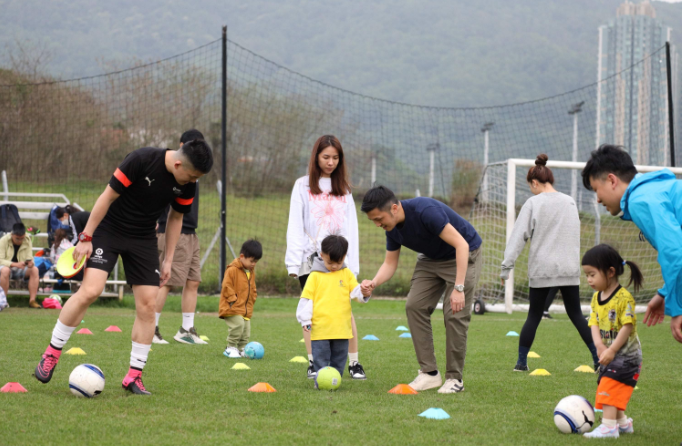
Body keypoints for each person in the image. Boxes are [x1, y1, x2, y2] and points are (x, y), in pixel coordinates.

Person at [33, 139, 213, 395]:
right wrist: (86, 237)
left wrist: (169, 259)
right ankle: (51, 353)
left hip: (143, 239)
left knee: (148, 304)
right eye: (191, 175)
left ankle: (133, 376)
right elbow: (107, 197)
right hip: (109, 229)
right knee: (90, 291)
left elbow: (176, 218)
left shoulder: (188, 184)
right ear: (177, 163)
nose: (192, 181)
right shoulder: (140, 159)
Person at [360, 185, 482, 394]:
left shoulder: (425, 211)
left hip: (462, 253)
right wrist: (373, 283)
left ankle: (455, 379)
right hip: (431, 258)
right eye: (374, 221)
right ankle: (429, 374)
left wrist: (458, 288)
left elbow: (461, 245)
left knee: (454, 313)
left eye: (379, 219)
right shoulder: (392, 228)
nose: (377, 224)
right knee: (414, 306)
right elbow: (390, 264)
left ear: (395, 208)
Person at [501, 154, 599, 372]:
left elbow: (518, 236)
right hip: (569, 269)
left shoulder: (533, 203)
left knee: (534, 315)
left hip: (542, 270)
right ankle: (598, 359)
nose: (531, 191)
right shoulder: (570, 202)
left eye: (530, 187)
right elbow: (574, 236)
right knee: (576, 315)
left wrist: (507, 266)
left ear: (535, 183)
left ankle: (521, 363)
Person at [582, 144, 682, 343]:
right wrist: (664, 293)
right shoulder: (654, 190)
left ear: (611, 180)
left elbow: (675, 253)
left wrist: (678, 308)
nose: (599, 200)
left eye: (596, 190)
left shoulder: (640, 200)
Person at [285, 135, 366, 380]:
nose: (330, 162)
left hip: (339, 261)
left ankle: (353, 363)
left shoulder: (345, 190)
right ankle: (313, 362)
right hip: (311, 260)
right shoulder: (302, 186)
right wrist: (294, 262)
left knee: (345, 310)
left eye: (335, 157)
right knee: (311, 310)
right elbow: (295, 224)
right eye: (325, 157)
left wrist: (351, 263)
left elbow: (351, 228)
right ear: (316, 157)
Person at [581, 244, 642, 438]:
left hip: (627, 357)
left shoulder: (624, 298)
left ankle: (608, 428)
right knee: (611, 385)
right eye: (586, 275)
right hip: (612, 354)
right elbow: (594, 322)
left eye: (592, 274)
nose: (589, 280)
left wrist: (612, 349)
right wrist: (599, 345)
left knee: (608, 385)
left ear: (610, 272)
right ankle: (622, 424)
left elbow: (627, 326)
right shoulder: (596, 297)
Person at [154, 129, 206, 345]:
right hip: (173, 232)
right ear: (182, 146)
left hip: (191, 233)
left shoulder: (196, 171)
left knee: (193, 281)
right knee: (166, 282)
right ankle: (151, 327)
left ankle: (186, 330)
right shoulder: (172, 169)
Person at [296, 235, 371, 383]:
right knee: (321, 360)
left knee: (339, 360)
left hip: (342, 330)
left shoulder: (346, 273)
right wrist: (305, 319)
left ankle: (334, 382)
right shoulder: (315, 276)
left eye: (339, 262)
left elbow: (355, 293)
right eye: (330, 262)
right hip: (321, 330)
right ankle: (321, 382)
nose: (335, 266)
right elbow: (306, 300)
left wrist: (363, 292)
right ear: (322, 255)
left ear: (344, 257)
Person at [220, 239, 262, 358]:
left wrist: (253, 297)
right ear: (242, 256)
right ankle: (230, 347)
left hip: (245, 307)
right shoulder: (232, 269)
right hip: (232, 306)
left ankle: (242, 348)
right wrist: (233, 300)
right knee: (238, 325)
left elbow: (252, 287)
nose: (253, 264)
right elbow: (226, 286)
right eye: (252, 261)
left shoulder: (250, 271)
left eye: (256, 262)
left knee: (246, 330)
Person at [0, 223, 40, 308]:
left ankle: (32, 301)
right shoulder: (3, 240)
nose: (19, 241)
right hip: (5, 268)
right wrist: (15, 264)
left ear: (24, 235)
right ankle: (3, 301)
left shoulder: (27, 239)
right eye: (17, 238)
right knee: (5, 270)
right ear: (12, 235)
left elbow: (29, 257)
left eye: (21, 239)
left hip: (20, 268)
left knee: (35, 270)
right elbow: (0, 260)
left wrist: (30, 263)